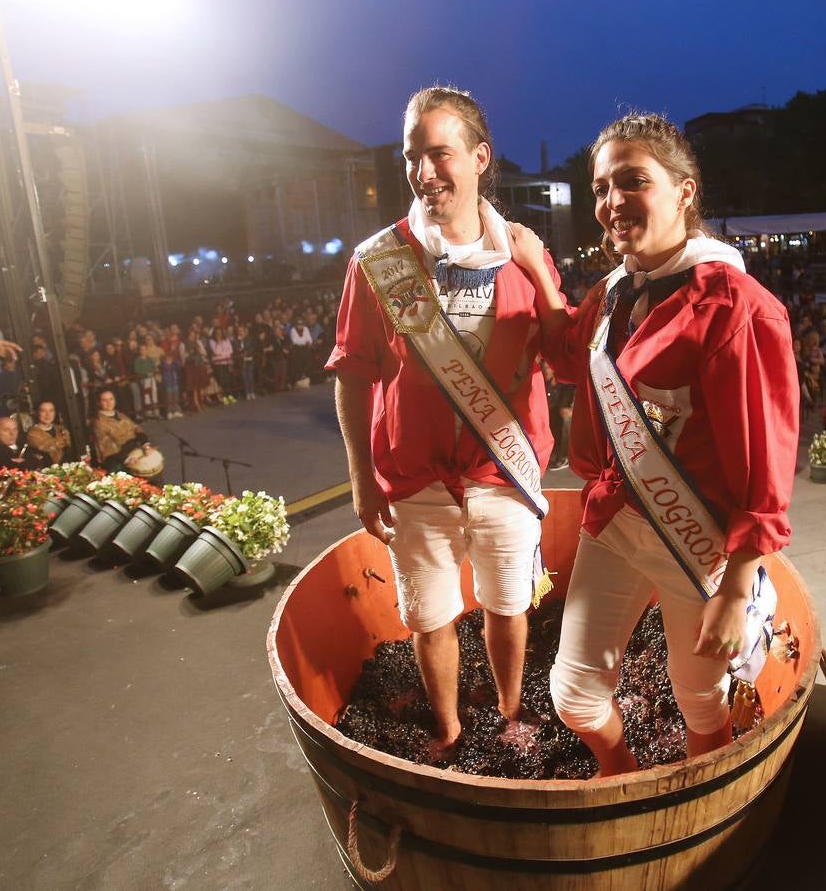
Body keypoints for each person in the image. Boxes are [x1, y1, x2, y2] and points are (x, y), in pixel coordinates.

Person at [510, 113, 800, 776]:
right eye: (601, 187)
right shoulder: (614, 292)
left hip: (696, 543)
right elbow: (564, 355)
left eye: (633, 182)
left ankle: (703, 804)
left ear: (684, 191)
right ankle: (621, 775)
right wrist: (535, 266)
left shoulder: (735, 306)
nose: (612, 202)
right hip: (614, 522)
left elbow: (766, 470)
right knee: (574, 696)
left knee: (699, 699)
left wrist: (736, 589)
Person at [327, 86, 560, 757]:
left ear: (480, 158)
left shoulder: (525, 255)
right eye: (412, 158)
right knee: (429, 619)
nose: (425, 174)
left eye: (440, 154)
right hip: (415, 480)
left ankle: (512, 714)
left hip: (503, 472)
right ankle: (452, 730)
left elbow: (566, 354)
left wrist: (543, 279)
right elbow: (352, 375)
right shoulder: (378, 262)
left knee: (508, 606)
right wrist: (362, 480)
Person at [92, 389, 154, 472]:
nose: (109, 402)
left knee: (152, 459)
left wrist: (145, 445)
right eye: (104, 400)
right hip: (116, 456)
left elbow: (136, 428)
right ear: (99, 402)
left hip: (133, 448)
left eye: (111, 399)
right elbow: (107, 447)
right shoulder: (98, 422)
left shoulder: (121, 415)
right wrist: (126, 459)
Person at [25, 400, 72, 465]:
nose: (48, 414)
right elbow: (45, 448)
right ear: (37, 412)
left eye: (51, 410)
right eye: (43, 411)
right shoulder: (32, 433)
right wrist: (61, 441)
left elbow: (68, 447)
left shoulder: (60, 428)